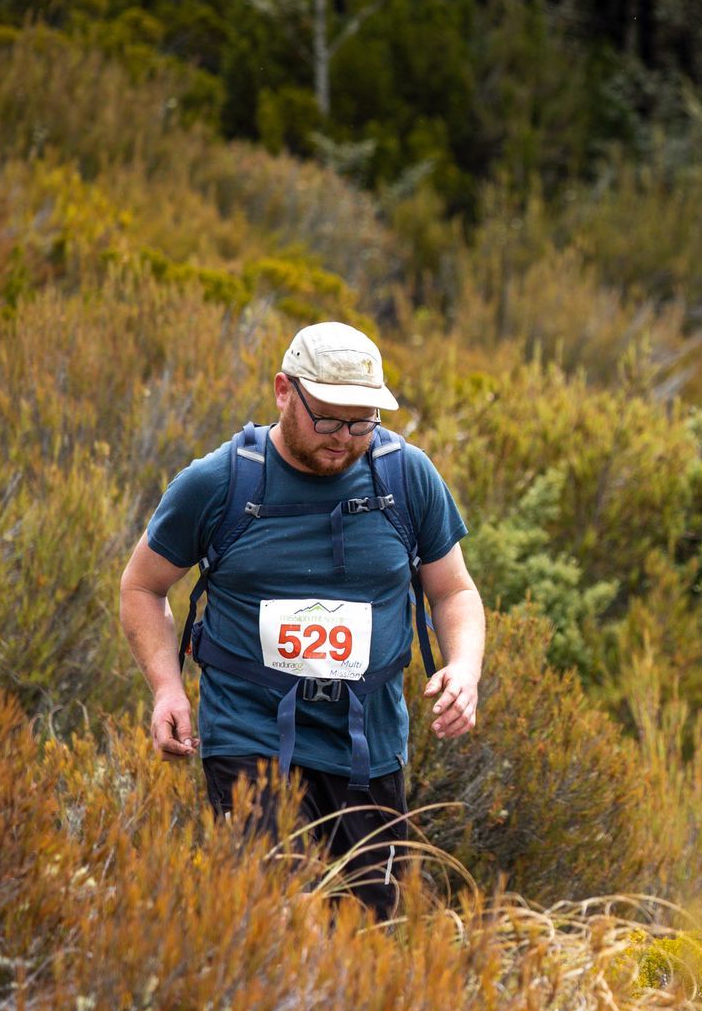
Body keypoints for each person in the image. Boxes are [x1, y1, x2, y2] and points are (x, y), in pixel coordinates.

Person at [119, 321, 484, 920]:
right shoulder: (219, 483)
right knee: (267, 921)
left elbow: (453, 592)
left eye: (362, 420)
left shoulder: (406, 477)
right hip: (251, 733)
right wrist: (166, 689)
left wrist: (464, 668)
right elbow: (142, 586)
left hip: (368, 746)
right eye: (329, 418)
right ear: (284, 391)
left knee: (365, 935)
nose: (344, 437)